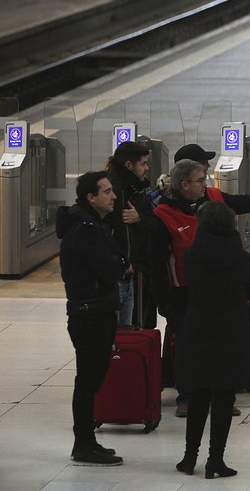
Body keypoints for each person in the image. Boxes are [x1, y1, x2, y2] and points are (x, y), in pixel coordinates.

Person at [151, 157, 250, 416]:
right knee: (188, 346)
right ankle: (187, 396)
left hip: (221, 293)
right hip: (184, 293)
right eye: (200, 180)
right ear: (184, 184)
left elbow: (249, 202)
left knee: (220, 345)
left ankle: (221, 395)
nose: (205, 184)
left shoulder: (213, 197)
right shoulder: (163, 216)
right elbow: (156, 263)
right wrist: (163, 299)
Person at [174, 201, 250, 479]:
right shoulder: (241, 259)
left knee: (199, 392)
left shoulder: (192, 256)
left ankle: (189, 458)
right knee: (224, 396)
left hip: (198, 328)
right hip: (232, 332)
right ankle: (215, 461)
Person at [57, 171, 125, 466]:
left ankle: (87, 441)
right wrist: (120, 264)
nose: (113, 196)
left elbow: (115, 260)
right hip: (90, 314)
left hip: (96, 310)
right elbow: (111, 269)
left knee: (91, 379)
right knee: (87, 381)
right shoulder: (85, 229)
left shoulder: (95, 224)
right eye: (107, 192)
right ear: (90, 197)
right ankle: (83, 444)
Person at [105, 141, 157, 327]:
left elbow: (153, 222)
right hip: (126, 271)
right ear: (129, 165)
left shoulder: (137, 188)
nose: (147, 168)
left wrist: (140, 218)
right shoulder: (117, 192)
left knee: (135, 322)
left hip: (136, 268)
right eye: (143, 164)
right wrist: (126, 262)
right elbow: (118, 233)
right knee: (126, 326)